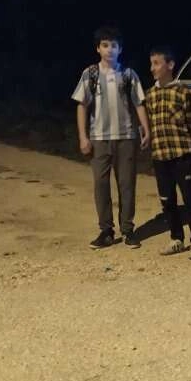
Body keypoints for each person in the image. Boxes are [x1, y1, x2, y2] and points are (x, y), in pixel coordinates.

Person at [71, 25, 150, 249]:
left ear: (120, 49)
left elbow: (139, 103)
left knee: (127, 185)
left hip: (126, 137)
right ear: (98, 48)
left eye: (114, 45)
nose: (110, 50)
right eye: (105, 45)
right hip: (99, 139)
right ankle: (106, 231)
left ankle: (128, 230)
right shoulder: (90, 74)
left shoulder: (128, 75)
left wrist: (146, 129)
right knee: (101, 185)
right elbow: (82, 105)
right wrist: (83, 137)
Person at [146, 46, 191, 260]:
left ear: (170, 65)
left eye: (157, 63)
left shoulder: (182, 92)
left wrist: (188, 146)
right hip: (160, 155)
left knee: (189, 197)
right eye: (151, 64)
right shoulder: (150, 94)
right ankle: (176, 238)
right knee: (167, 199)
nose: (152, 68)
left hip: (181, 154)